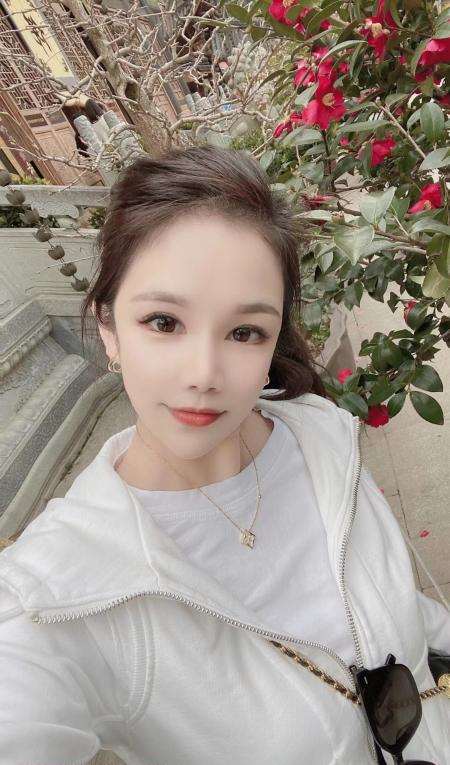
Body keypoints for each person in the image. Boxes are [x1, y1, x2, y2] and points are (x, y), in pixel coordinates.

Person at [0, 146, 448, 765]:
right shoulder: (52, 599)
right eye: (163, 322)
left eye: (245, 332)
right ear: (108, 327)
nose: (205, 374)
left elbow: (401, 608)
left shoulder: (321, 438)